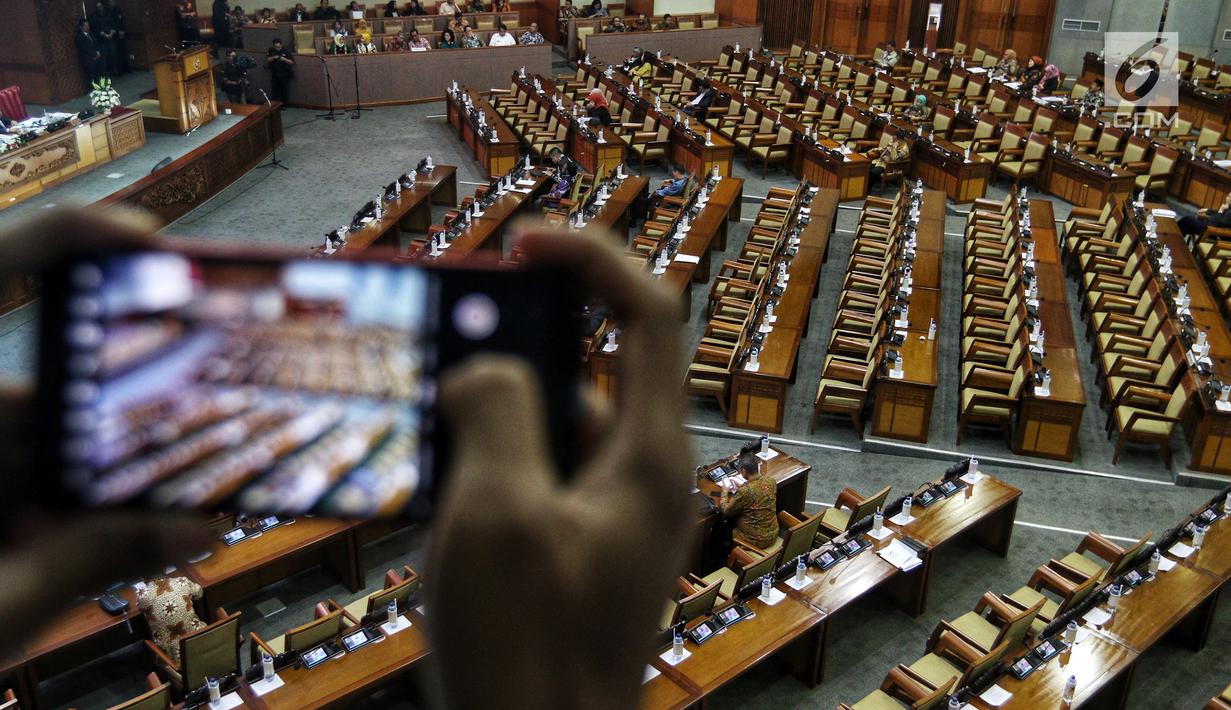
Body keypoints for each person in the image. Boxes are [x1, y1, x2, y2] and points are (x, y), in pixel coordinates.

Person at [718, 449, 779, 552]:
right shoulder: (771, 481)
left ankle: (723, 559)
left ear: (744, 471)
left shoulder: (745, 492)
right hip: (773, 533)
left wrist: (724, 492)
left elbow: (726, 511)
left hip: (755, 540)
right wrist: (743, 485)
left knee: (719, 529)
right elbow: (758, 491)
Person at [138, 576, 205, 665]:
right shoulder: (182, 581)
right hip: (203, 643)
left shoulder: (143, 595)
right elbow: (200, 593)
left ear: (141, 578)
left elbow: (142, 607)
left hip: (171, 660)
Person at [266, 38, 295, 107]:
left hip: (285, 73)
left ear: (281, 45)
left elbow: (291, 62)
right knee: (275, 90)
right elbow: (268, 59)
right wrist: (274, 57)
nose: (277, 49)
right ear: (273, 46)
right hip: (275, 73)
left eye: (278, 47)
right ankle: (275, 105)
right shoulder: (271, 50)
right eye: (275, 47)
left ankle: (285, 105)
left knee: (284, 90)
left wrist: (284, 59)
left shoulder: (286, 50)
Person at [92, 2, 117, 76]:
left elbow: (113, 24)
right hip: (102, 41)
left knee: (114, 56)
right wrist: (104, 34)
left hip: (111, 38)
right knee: (104, 59)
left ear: (103, 6)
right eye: (98, 7)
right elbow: (95, 29)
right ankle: (105, 74)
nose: (99, 8)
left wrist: (111, 33)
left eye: (100, 6)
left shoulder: (108, 14)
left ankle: (115, 71)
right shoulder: (95, 17)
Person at [76, 18, 103, 83]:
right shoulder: (79, 37)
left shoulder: (90, 33)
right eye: (85, 26)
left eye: (88, 25)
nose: (88, 27)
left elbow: (96, 43)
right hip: (88, 59)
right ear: (81, 27)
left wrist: (98, 51)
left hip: (96, 57)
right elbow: (84, 49)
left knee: (98, 74)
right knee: (91, 76)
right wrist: (94, 55)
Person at [105, 0, 128, 75]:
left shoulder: (118, 9)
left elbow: (122, 21)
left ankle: (126, 68)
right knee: (116, 54)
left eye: (113, 1)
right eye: (110, 2)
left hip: (121, 33)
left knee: (124, 51)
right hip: (114, 35)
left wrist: (123, 30)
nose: (112, 3)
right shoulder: (107, 11)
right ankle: (118, 70)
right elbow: (110, 23)